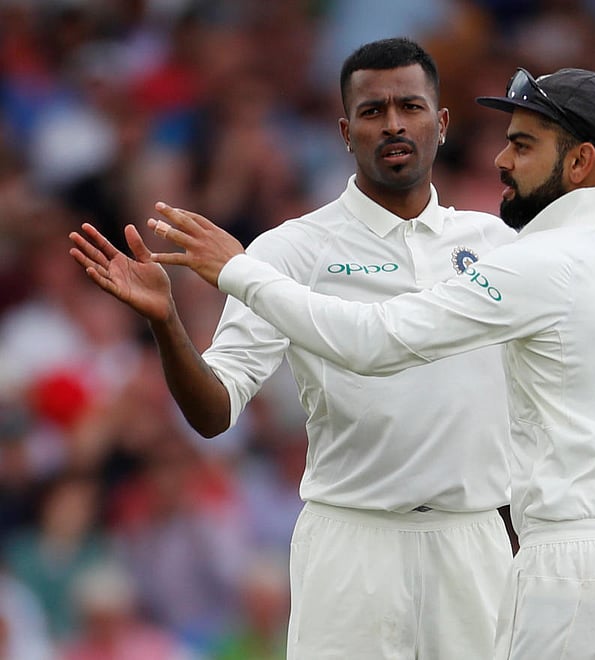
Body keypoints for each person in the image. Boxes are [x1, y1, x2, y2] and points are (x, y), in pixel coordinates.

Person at [110, 66, 595, 659]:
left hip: (569, 570)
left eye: (524, 146)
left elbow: (373, 341)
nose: (501, 162)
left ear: (581, 161)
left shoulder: (529, 265)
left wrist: (240, 271)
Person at [69, 37, 519, 659]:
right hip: (353, 540)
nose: (393, 123)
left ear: (441, 124)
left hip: (475, 538)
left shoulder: (497, 245)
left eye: (410, 106)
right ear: (344, 130)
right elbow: (214, 410)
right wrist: (167, 321)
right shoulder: (290, 251)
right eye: (372, 110)